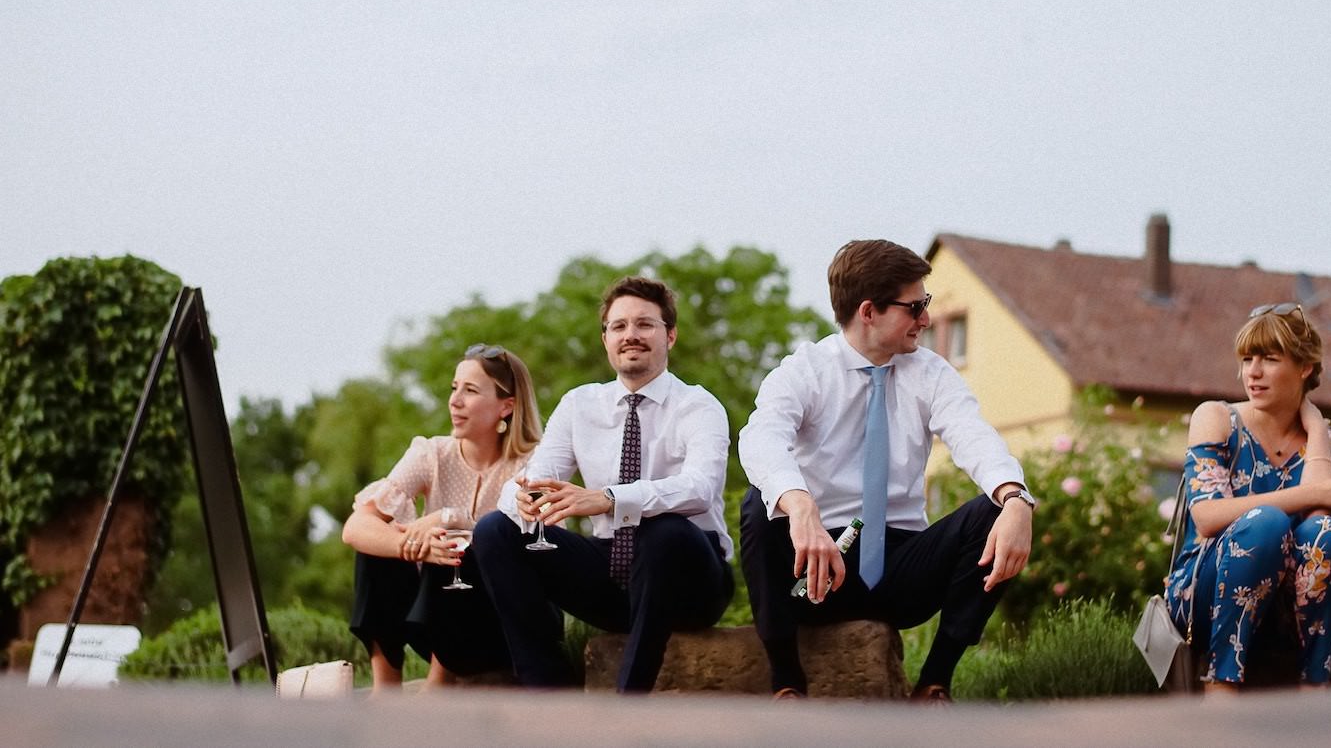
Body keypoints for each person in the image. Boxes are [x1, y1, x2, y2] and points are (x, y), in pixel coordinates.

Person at [738, 239, 1034, 702]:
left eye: (926, 304)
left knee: (997, 512)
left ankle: (935, 682)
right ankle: (787, 681)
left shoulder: (931, 374)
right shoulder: (806, 371)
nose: (927, 320)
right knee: (759, 501)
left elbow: (971, 435)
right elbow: (760, 438)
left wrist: (1015, 497)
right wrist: (799, 507)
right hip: (816, 570)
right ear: (869, 311)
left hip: (901, 567)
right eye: (914, 307)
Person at [473, 276, 734, 692]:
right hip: (612, 578)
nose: (631, 335)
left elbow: (700, 488)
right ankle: (547, 693)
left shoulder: (699, 405)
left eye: (645, 325)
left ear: (671, 335)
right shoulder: (579, 404)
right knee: (494, 530)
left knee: (663, 530)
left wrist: (610, 500)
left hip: (689, 579)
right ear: (605, 339)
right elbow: (536, 476)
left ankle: (627, 704)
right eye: (619, 326)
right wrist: (522, 500)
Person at [1163, 303, 1331, 692]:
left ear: (1305, 368)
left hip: (1288, 601)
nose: (1253, 372)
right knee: (1265, 522)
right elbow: (1208, 517)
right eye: (1248, 359)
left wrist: (1316, 430)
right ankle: (1221, 682)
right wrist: (1317, 490)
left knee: (1327, 535)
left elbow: (1323, 520)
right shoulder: (1216, 418)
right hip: (1206, 589)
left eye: (1269, 358)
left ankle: (1313, 685)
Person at [341, 343, 543, 691]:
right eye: (454, 389)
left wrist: (445, 519)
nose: (455, 401)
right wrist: (406, 543)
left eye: (471, 390)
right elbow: (355, 526)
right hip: (433, 620)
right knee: (382, 538)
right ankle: (385, 686)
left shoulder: (533, 463)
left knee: (449, 537)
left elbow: (536, 547)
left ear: (506, 406)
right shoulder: (432, 452)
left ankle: (440, 681)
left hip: (501, 623)